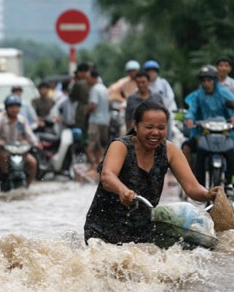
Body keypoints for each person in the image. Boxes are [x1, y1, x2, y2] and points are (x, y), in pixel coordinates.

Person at [83, 101, 220, 245]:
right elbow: (107, 176)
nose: (155, 132)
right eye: (148, 127)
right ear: (135, 126)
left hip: (143, 231)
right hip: (102, 229)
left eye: (161, 128)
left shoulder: (169, 150)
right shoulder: (120, 146)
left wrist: (207, 194)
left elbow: (192, 187)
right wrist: (122, 190)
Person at [182, 65, 234, 185]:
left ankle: (232, 182)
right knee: (194, 150)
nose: (206, 83)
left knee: (233, 154)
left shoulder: (224, 93)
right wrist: (189, 119)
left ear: (214, 80)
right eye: (203, 81)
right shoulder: (197, 96)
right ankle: (195, 184)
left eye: (209, 80)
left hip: (225, 133)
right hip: (202, 133)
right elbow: (192, 109)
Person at [0, 95, 40, 191]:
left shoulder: (22, 120)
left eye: (16, 107)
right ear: (6, 108)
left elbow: (29, 135)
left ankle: (27, 187)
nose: (14, 110)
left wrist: (36, 143)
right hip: (2, 151)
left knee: (33, 163)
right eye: (11, 107)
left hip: (20, 151)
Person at [85, 68, 110, 171]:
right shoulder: (104, 88)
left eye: (88, 78)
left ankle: (93, 166)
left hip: (95, 120)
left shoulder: (94, 89)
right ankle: (98, 164)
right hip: (105, 121)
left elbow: (93, 104)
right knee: (99, 145)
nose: (87, 81)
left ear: (94, 78)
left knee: (90, 146)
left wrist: (86, 112)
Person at [70, 62, 92, 134]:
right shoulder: (94, 82)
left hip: (82, 109)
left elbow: (72, 97)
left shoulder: (79, 83)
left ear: (82, 72)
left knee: (81, 129)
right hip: (93, 109)